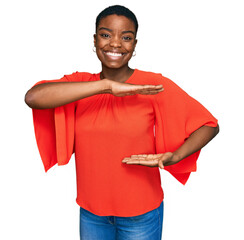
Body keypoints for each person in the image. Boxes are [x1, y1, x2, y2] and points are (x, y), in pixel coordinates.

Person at [25, 5, 219, 240]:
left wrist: (176, 156)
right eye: (106, 35)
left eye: (126, 37)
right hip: (92, 213)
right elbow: (33, 97)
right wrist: (106, 86)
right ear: (94, 40)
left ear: (134, 45)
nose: (115, 43)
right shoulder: (79, 85)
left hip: (142, 213)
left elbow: (209, 124)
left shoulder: (151, 85)